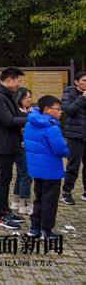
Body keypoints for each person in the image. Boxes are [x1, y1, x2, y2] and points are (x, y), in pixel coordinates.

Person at [0, 66, 28, 230]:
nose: (19, 84)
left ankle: (5, 211)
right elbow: (8, 120)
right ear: (9, 80)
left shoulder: (4, 94)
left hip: (7, 143)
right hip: (1, 144)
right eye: (18, 81)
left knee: (6, 178)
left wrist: (32, 116)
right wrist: (30, 120)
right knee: (2, 180)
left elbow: (16, 114)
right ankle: (0, 216)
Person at [24, 95, 70, 239]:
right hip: (51, 170)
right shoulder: (51, 127)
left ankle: (34, 228)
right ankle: (46, 230)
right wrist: (68, 150)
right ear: (47, 109)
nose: (60, 112)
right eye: (57, 109)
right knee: (50, 201)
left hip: (36, 169)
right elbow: (60, 149)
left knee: (39, 198)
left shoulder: (30, 123)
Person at [61, 71, 86, 205]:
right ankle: (67, 191)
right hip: (75, 135)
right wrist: (82, 98)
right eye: (84, 80)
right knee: (73, 165)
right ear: (76, 82)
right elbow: (69, 110)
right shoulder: (69, 94)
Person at [11, 87, 33, 214]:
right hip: (20, 147)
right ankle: (24, 204)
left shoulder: (29, 110)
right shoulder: (17, 113)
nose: (30, 99)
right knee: (27, 175)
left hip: (28, 146)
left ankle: (16, 200)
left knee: (21, 174)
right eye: (27, 97)